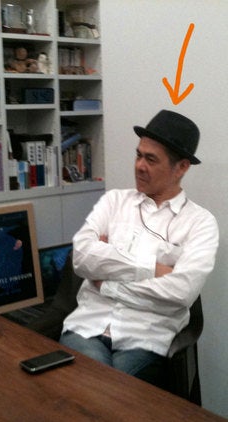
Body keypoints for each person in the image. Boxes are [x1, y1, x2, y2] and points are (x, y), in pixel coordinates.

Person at [59, 109, 219, 384]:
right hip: (86, 328)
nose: (139, 166)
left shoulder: (200, 223)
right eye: (138, 155)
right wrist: (152, 269)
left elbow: (181, 292)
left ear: (181, 167)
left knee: (100, 387)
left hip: (145, 339)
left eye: (151, 159)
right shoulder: (114, 202)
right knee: (100, 387)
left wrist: (106, 282)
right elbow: (82, 257)